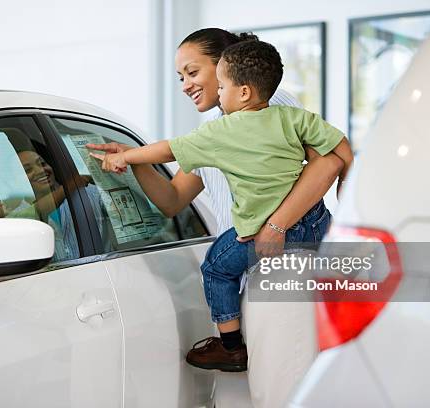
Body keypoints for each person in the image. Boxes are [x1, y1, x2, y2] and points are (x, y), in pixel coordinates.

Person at [88, 28, 346, 408]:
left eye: (193, 73)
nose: (186, 85)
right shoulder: (214, 131)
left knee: (282, 393)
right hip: (248, 268)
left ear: (227, 67)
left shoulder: (271, 106)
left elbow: (327, 162)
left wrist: (275, 226)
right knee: (250, 396)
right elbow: (173, 199)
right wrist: (134, 158)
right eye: (180, 78)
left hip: (284, 264)